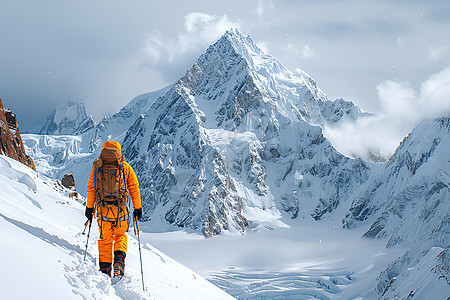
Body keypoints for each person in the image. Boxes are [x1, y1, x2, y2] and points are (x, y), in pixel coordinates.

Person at [84, 140, 142, 278]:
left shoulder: (97, 167)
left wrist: (89, 208)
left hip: (103, 210)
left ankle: (105, 270)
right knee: (120, 236)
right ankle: (119, 263)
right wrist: (137, 208)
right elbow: (134, 188)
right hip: (121, 210)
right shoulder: (125, 167)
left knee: (105, 239)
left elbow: (91, 188)